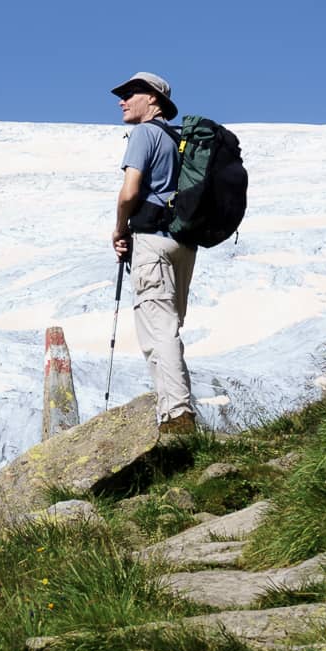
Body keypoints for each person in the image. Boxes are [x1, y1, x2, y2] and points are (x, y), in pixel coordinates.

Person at [108, 72, 198, 440]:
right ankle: (175, 411)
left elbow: (130, 191)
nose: (122, 100)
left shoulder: (145, 134)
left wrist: (119, 228)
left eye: (131, 93)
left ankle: (177, 417)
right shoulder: (179, 141)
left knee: (157, 332)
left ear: (154, 100)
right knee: (169, 329)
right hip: (183, 244)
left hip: (152, 242)